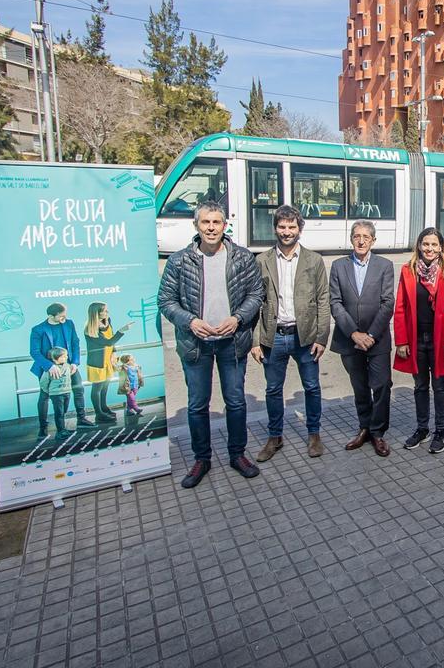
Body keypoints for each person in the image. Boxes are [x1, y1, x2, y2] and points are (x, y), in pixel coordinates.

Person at [158, 202, 265, 489]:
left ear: (224, 225)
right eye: (205, 222)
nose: (211, 228)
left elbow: (257, 293)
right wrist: (190, 321)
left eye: (216, 222)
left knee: (236, 401)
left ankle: (237, 455)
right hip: (196, 343)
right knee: (197, 404)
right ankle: (201, 459)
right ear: (196, 225)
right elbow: (165, 301)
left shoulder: (242, 258)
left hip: (232, 341)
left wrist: (238, 317)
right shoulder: (179, 261)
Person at [250, 205, 331, 461]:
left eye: (291, 227)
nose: (286, 232)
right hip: (273, 336)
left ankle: (314, 434)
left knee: (312, 387)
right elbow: (254, 302)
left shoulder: (314, 261)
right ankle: (275, 437)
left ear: (300, 229)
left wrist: (321, 337)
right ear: (275, 228)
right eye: (282, 227)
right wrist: (255, 341)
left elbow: (323, 300)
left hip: (304, 336)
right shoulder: (261, 260)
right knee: (273, 389)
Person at [329, 220, 395, 457]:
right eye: (357, 236)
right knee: (359, 387)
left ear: (373, 241)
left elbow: (388, 303)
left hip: (377, 339)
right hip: (349, 339)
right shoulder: (338, 266)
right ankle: (364, 428)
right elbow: (335, 303)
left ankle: (378, 432)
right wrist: (354, 333)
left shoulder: (385, 265)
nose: (361, 240)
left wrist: (370, 335)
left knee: (382, 385)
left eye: (366, 237)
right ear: (351, 239)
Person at [395, 227, 444, 454]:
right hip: (416, 340)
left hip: (440, 340)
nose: (430, 249)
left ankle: (440, 431)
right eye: (426, 244)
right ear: (419, 246)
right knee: (420, 386)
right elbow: (401, 308)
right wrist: (401, 341)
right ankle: (422, 429)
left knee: (440, 386)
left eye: (434, 244)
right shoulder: (408, 271)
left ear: (441, 248)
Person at [30, 302, 95, 438]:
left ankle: (81, 419)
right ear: (51, 315)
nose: (64, 318)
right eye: (61, 316)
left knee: (79, 390)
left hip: (69, 365)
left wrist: (75, 363)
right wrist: (50, 366)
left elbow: (75, 343)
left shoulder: (69, 323)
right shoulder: (38, 329)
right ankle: (43, 427)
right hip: (48, 368)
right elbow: (34, 352)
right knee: (44, 397)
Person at [83, 302, 132, 423]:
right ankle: (99, 413)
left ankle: (104, 408)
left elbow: (111, 342)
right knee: (98, 388)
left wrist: (114, 354)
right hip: (97, 363)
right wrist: (122, 331)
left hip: (108, 360)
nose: (107, 313)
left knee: (105, 386)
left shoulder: (107, 321)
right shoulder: (90, 329)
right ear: (96, 314)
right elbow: (108, 342)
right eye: (104, 311)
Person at [38, 348, 73, 439]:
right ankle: (60, 432)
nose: (66, 357)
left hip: (67, 392)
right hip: (56, 394)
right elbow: (43, 383)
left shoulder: (67, 366)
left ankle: (63, 429)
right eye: (63, 356)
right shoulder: (50, 370)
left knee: (64, 411)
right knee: (59, 413)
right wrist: (50, 392)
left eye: (66, 355)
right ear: (55, 358)